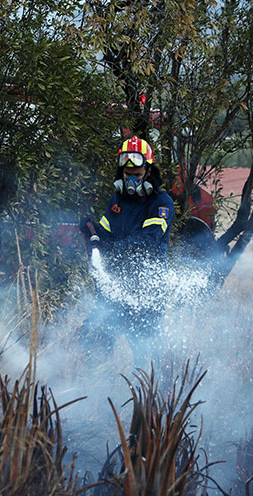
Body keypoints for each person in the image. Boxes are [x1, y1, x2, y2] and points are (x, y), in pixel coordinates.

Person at [79, 136, 175, 362]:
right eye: (127, 175)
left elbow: (148, 242)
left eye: (138, 175)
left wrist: (111, 249)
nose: (131, 180)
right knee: (94, 343)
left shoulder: (161, 203)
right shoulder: (117, 201)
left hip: (145, 292)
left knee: (146, 356)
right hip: (116, 286)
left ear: (149, 172)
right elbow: (104, 233)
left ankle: (152, 396)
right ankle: (99, 391)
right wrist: (91, 230)